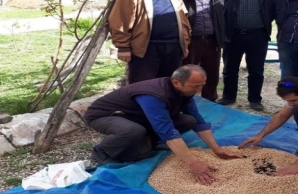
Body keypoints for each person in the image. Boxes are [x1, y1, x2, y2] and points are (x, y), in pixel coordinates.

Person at [84, 65, 241, 185]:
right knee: (133, 131)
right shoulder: (153, 95)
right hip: (104, 115)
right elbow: (167, 131)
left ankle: (152, 142)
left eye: (202, 85)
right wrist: (194, 164)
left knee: (189, 120)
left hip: (137, 116)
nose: (199, 91)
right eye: (195, 86)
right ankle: (102, 152)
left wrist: (217, 149)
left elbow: (198, 121)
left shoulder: (184, 92)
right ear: (176, 82)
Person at [108, 0, 191, 84]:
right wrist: (122, 46)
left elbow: (184, 23)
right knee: (142, 85)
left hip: (173, 48)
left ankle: (163, 104)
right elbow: (120, 19)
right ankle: (141, 104)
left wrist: (184, 45)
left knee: (168, 85)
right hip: (145, 49)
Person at [215, 0, 278, 111]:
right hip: (233, 35)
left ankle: (255, 99)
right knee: (230, 69)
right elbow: (219, 14)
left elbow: (275, 11)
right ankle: (229, 96)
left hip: (258, 36)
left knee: (256, 70)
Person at [176, 0, 225, 102]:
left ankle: (210, 100)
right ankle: (182, 100)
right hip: (190, 42)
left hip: (212, 42)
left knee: (212, 73)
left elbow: (222, 20)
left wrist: (221, 40)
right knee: (186, 73)